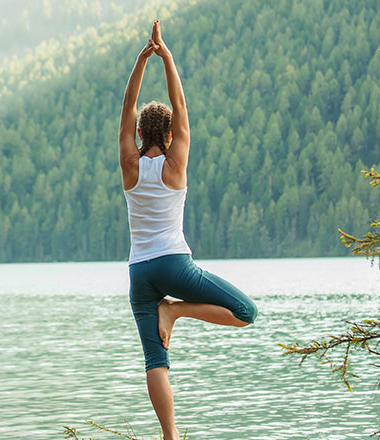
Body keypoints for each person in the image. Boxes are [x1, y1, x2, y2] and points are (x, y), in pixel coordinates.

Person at [118, 20, 259, 440]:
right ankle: (175, 310)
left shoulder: (130, 166)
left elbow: (127, 111)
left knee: (154, 361)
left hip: (139, 274)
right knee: (245, 312)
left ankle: (171, 436)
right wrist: (168, 57)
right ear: (173, 133)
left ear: (141, 134)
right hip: (175, 266)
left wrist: (141, 61)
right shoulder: (174, 164)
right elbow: (180, 105)